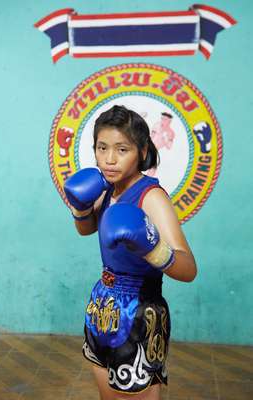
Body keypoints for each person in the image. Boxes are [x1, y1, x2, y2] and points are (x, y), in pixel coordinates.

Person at [64, 105, 197, 400]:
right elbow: (86, 229)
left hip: (140, 310)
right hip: (103, 304)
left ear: (141, 150)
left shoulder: (151, 196)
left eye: (122, 149)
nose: (109, 159)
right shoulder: (109, 188)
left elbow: (188, 269)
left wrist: (152, 248)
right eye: (102, 148)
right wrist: (80, 205)